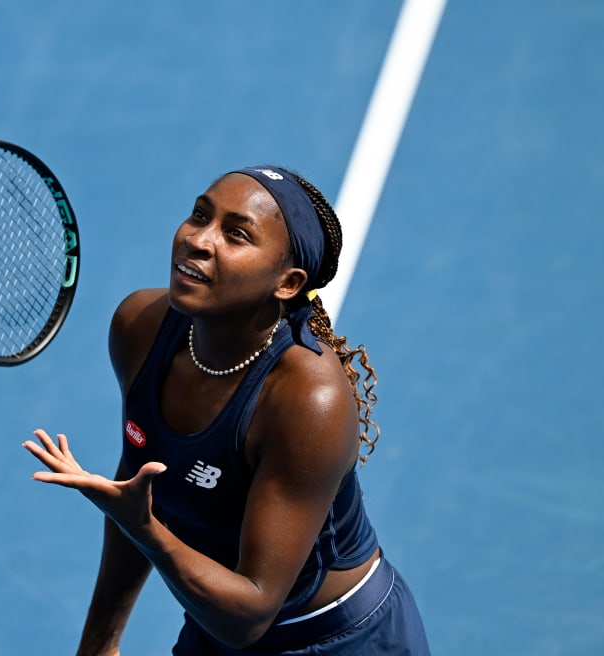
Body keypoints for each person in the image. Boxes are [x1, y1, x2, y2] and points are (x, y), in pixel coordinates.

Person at [23, 166, 430, 655]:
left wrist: (146, 528)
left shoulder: (306, 400)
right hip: (214, 623)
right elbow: (138, 482)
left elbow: (250, 614)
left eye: (236, 234)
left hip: (337, 640)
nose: (198, 239)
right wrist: (99, 644)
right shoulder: (139, 327)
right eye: (199, 215)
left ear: (287, 282)